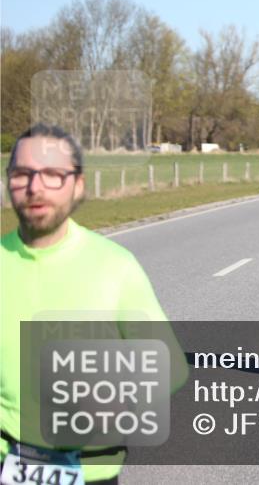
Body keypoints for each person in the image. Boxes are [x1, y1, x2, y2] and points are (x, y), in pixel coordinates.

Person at [1, 124, 187, 485]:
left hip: (90, 472)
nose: (35, 187)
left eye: (53, 175)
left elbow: (172, 367)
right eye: (22, 174)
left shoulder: (116, 266)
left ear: (78, 185)